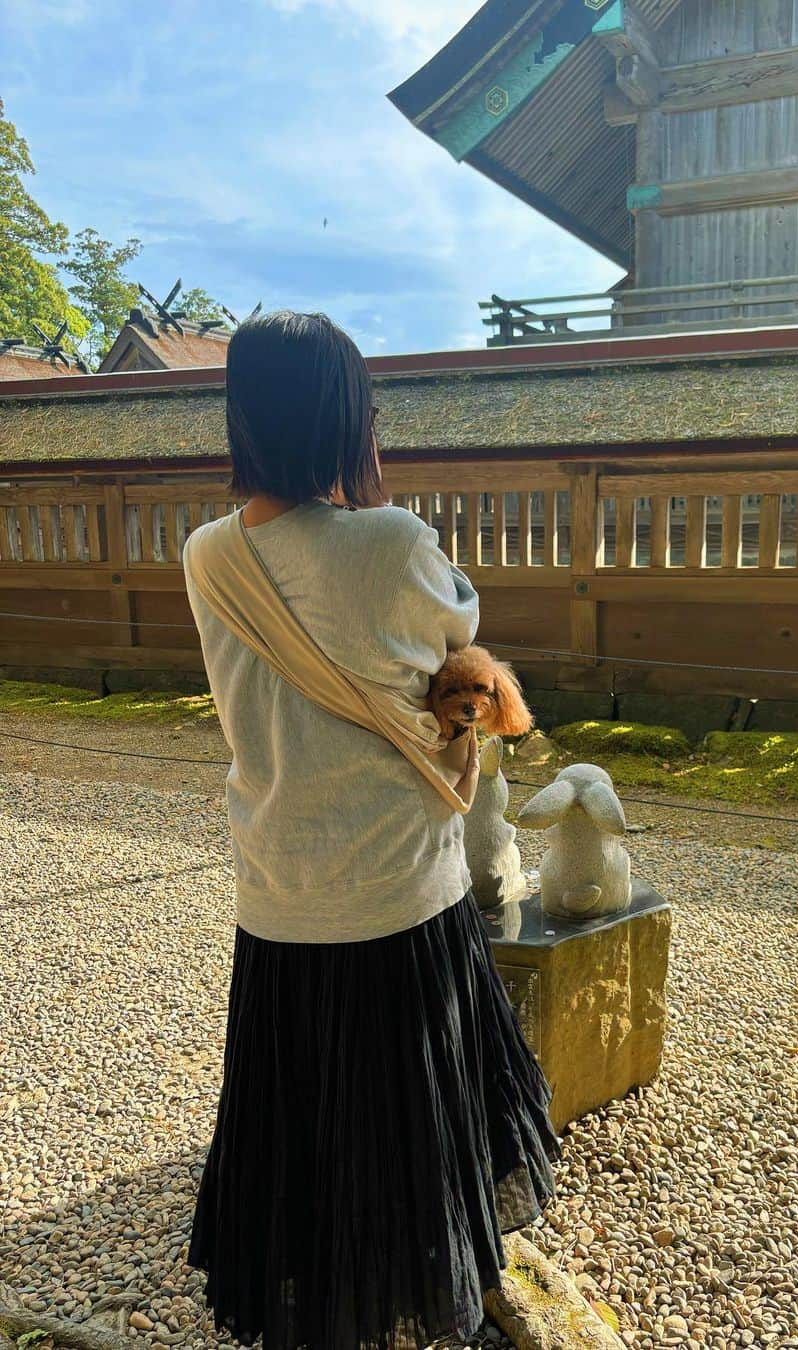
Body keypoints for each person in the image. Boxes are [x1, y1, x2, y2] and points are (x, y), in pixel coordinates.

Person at [182, 311, 559, 1350]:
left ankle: (316, 1283)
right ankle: (431, 1277)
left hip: (280, 886)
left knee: (305, 1113)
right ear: (351, 421)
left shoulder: (207, 556)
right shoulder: (396, 541)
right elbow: (459, 631)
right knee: (413, 1113)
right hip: (400, 887)